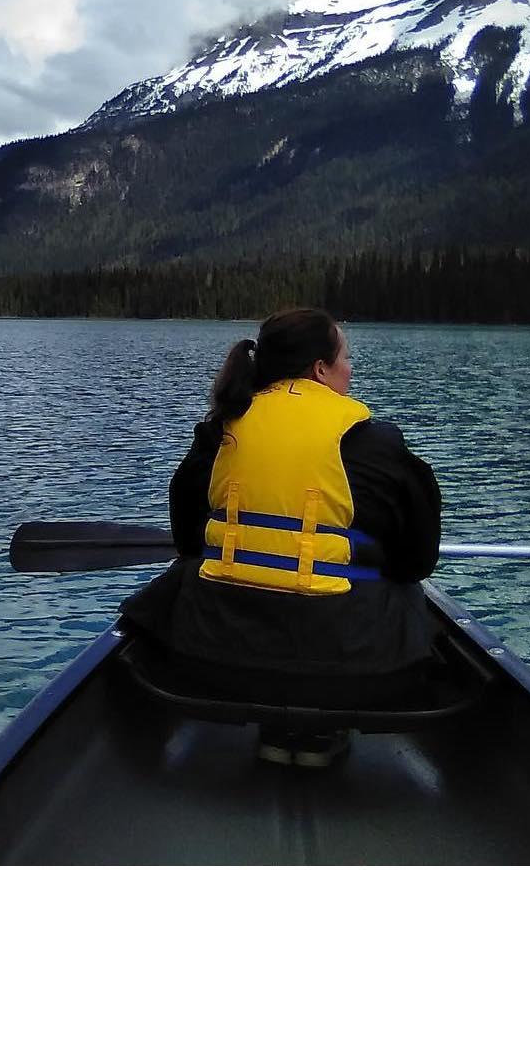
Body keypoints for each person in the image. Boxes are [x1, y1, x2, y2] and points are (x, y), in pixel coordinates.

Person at [120, 307, 443, 760]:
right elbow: (417, 561)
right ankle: (322, 730)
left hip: (210, 658)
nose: (351, 371)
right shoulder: (377, 443)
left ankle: (269, 721)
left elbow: (189, 541)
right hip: (355, 669)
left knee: (184, 578)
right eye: (347, 359)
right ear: (321, 370)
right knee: (410, 595)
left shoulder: (220, 431)